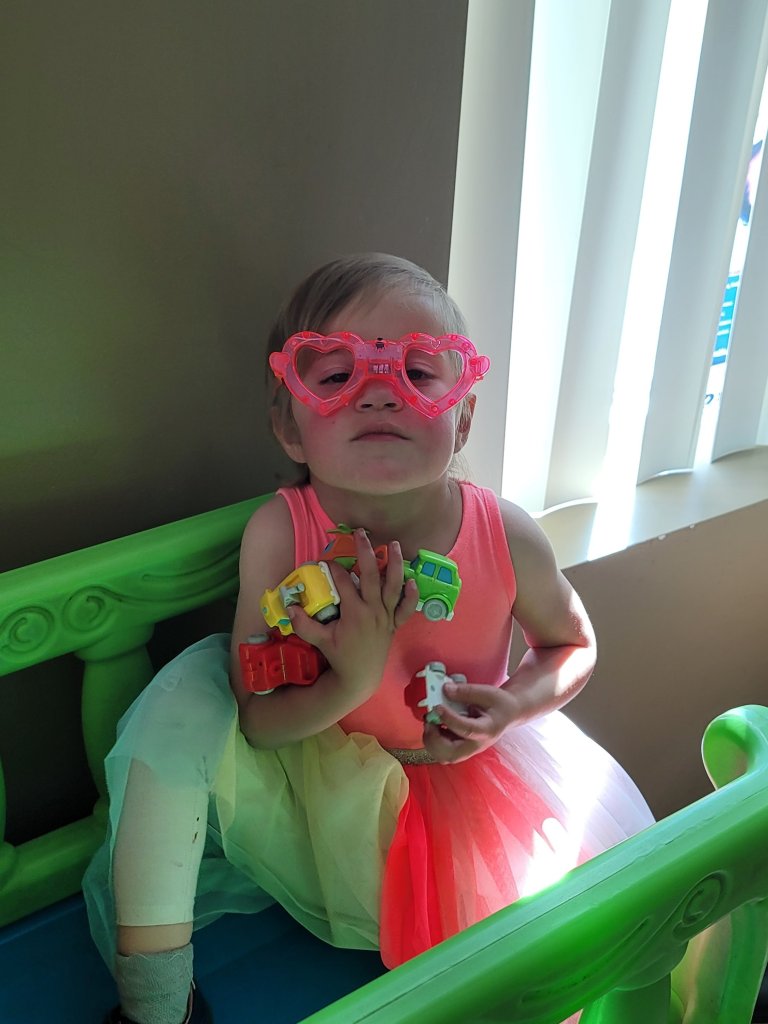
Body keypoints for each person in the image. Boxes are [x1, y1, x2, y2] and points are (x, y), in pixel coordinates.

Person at [84, 253, 654, 1024]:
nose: (381, 390)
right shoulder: (281, 535)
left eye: (419, 373)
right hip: (318, 793)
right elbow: (260, 722)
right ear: (289, 425)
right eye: (336, 374)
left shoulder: (506, 535)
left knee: (546, 963)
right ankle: (156, 1004)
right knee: (180, 696)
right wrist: (351, 678)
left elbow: (571, 643)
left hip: (463, 796)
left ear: (462, 418)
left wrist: (512, 707)